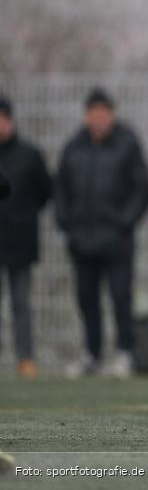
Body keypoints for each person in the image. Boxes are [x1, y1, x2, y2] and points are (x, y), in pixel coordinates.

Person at [55, 88, 148, 377]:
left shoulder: (127, 143)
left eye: (103, 113)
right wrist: (66, 221)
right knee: (87, 300)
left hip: (117, 240)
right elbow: (60, 188)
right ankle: (91, 354)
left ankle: (124, 352)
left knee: (121, 296)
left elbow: (143, 188)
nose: (98, 119)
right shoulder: (73, 147)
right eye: (93, 114)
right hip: (82, 239)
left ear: (112, 115)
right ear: (86, 116)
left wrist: (126, 220)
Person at [0, 96, 52, 378]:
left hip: (20, 241)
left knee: (21, 304)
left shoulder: (30, 155)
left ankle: (26, 358)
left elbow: (44, 192)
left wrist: (24, 215)